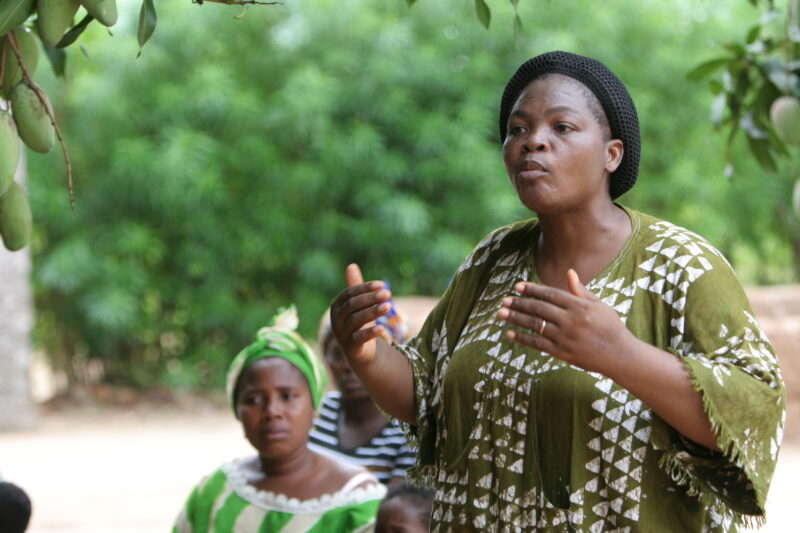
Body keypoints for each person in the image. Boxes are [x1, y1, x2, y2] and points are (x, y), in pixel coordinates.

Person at [329, 51, 786, 531]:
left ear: (612, 153)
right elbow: (427, 395)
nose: (533, 143)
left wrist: (620, 353)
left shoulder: (680, 265)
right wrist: (366, 353)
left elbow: (752, 415)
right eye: (518, 129)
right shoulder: (492, 258)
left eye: (561, 128)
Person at [174, 306, 386, 532]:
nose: (272, 411)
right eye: (253, 400)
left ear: (314, 406)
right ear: (237, 410)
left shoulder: (357, 501)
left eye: (287, 396)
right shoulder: (215, 492)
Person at [309, 287, 417, 487]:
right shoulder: (315, 412)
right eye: (339, 354)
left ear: (396, 359)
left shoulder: (409, 430)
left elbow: (394, 509)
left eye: (370, 353)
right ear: (326, 358)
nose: (351, 365)